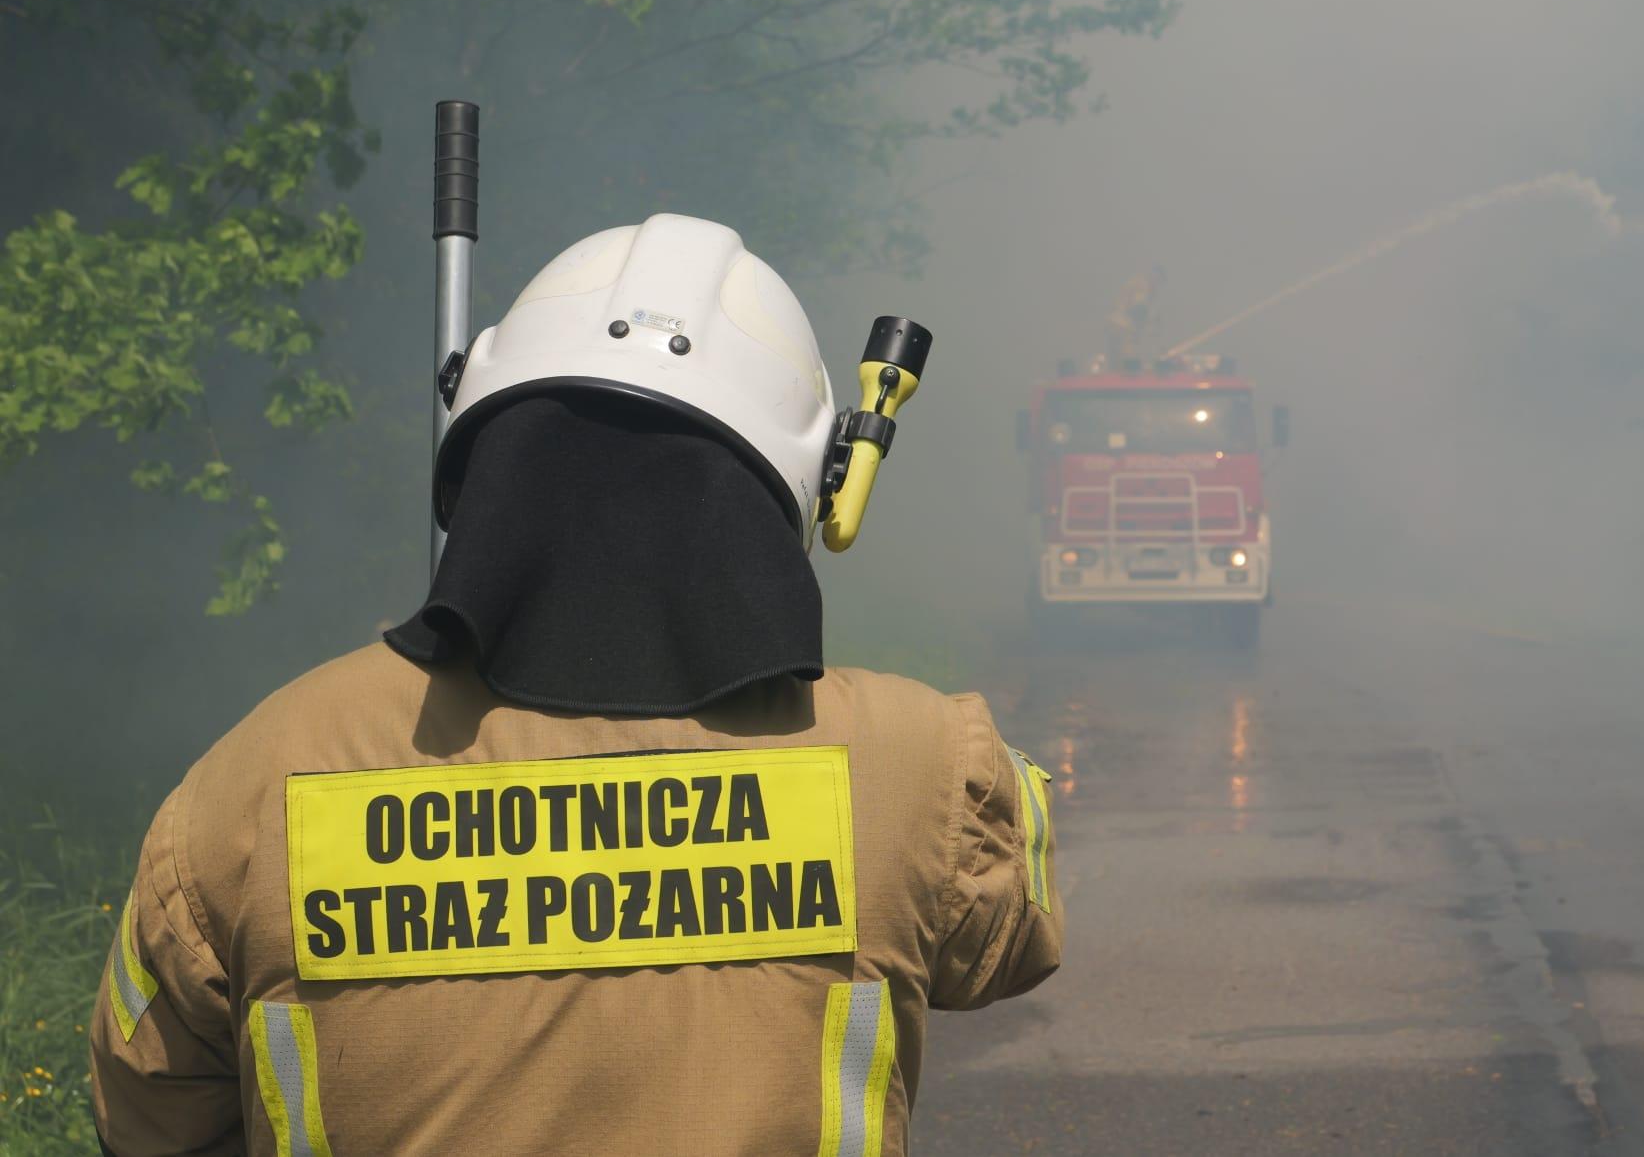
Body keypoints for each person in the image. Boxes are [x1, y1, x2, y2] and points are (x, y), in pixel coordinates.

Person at [89, 214, 1061, 1156]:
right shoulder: (920, 762)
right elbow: (1008, 936)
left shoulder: (251, 780)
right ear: (806, 483)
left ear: (479, 445)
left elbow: (149, 1111)